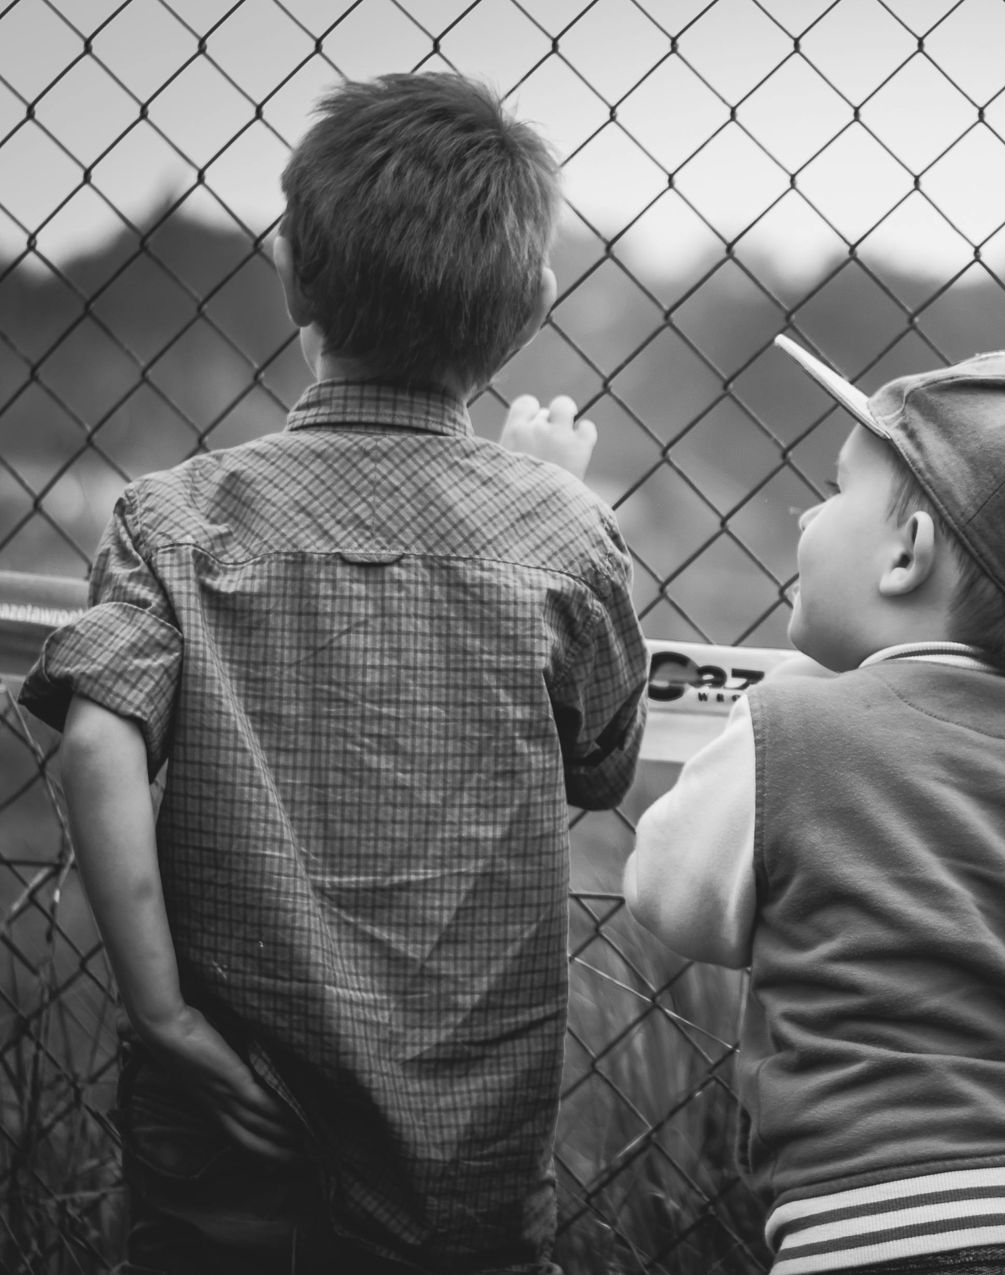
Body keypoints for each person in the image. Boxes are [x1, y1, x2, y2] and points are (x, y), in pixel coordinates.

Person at [23, 73, 647, 1273]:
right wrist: (540, 491)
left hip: (227, 1096)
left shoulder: (177, 517)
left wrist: (163, 1016)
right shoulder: (561, 536)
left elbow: (98, 736)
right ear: (529, 315)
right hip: (458, 1138)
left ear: (297, 278)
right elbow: (602, 766)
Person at [622, 338, 1005, 1275]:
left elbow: (666, 895)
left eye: (835, 490)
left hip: (868, 1225)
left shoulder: (788, 725)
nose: (810, 513)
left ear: (907, 555)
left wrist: (810, 675)